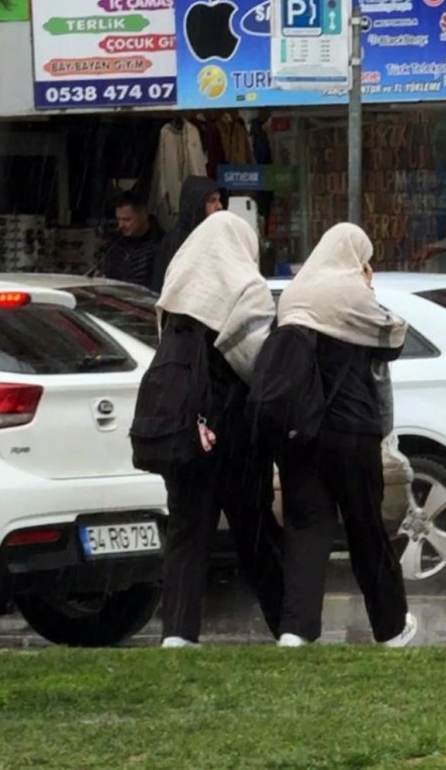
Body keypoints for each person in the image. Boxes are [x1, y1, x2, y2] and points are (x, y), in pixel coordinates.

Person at [273, 222, 417, 648]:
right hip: (352, 431)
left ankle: (295, 631)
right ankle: (391, 628)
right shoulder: (352, 294)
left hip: (301, 432)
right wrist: (368, 289)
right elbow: (393, 341)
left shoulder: (295, 295)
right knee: (366, 529)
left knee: (306, 530)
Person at [154, 211, 284, 648]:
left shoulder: (178, 285)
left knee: (187, 532)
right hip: (232, 429)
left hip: (182, 426)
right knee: (255, 531)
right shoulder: (245, 287)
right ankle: (288, 624)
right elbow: (254, 363)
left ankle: (178, 633)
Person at [150, 175, 225, 293]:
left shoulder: (217, 237)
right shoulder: (176, 243)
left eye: (219, 200)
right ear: (196, 204)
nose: (219, 206)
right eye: (212, 201)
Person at [99, 190, 163, 287]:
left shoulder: (161, 244)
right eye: (118, 219)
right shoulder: (116, 241)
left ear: (143, 214)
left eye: (126, 219)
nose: (120, 225)